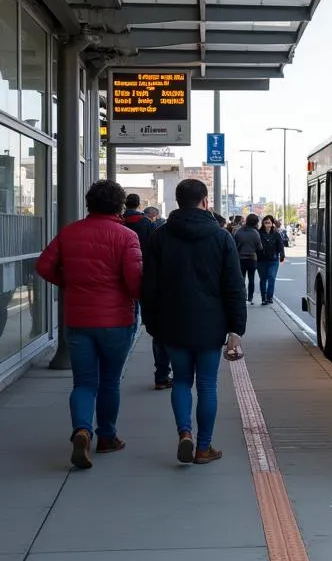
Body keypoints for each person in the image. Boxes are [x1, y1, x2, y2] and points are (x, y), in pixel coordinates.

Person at [35, 179, 142, 470]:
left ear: (88, 203)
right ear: (119, 206)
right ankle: (107, 437)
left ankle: (82, 429)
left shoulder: (70, 233)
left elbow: (44, 266)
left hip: (79, 319)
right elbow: (135, 283)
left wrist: (69, 283)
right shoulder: (126, 237)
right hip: (116, 320)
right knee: (109, 380)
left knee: (83, 382)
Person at [142, 179, 246, 465]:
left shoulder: (160, 236)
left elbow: (148, 285)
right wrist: (236, 330)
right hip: (211, 325)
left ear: (178, 201)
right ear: (205, 202)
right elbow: (234, 287)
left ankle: (184, 433)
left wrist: (151, 323)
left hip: (172, 323)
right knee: (208, 386)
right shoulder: (222, 237)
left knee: (182, 381)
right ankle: (203, 447)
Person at [122, 193, 172, 390]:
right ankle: (162, 375)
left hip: (120, 275)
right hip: (144, 272)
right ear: (139, 204)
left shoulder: (119, 221)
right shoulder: (148, 224)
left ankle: (132, 328)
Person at [257, 214, 287, 305]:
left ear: (272, 224)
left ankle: (269, 297)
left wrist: (282, 255)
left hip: (273, 260)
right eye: (265, 222)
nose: (267, 224)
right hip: (261, 260)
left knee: (271, 277)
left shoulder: (276, 234)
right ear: (263, 223)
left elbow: (280, 245)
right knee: (263, 279)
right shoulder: (259, 233)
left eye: (268, 222)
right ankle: (263, 298)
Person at [233, 213, 261, 305]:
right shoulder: (255, 233)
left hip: (240, 259)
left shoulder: (238, 232)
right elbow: (260, 248)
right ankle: (250, 298)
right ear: (255, 223)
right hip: (252, 259)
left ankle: (242, 297)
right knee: (251, 279)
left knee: (241, 279)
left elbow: (234, 245)